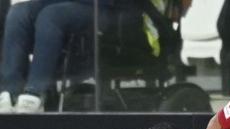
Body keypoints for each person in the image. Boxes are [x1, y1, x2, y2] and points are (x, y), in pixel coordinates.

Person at [0, 0, 138, 113]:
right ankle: (9, 92)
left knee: (51, 16)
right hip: (58, 3)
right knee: (18, 13)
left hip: (102, 7)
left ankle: (35, 93)